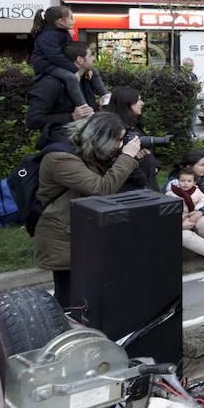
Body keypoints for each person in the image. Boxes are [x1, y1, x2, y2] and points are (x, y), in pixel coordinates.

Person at [34, 113, 140, 307]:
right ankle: (64, 334)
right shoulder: (60, 159)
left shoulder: (88, 152)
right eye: (116, 140)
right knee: (68, 293)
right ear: (101, 136)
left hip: (81, 228)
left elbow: (136, 182)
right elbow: (101, 188)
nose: (118, 145)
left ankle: (84, 330)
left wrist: (130, 158)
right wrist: (126, 157)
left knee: (89, 291)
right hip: (62, 233)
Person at [29, 6, 106, 110]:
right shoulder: (47, 36)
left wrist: (84, 67)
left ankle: (106, 96)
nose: (74, 20)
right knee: (71, 77)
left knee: (93, 71)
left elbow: (70, 50)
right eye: (71, 17)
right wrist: (76, 69)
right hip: (48, 66)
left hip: (58, 63)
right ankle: (83, 106)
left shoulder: (63, 33)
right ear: (60, 21)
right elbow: (56, 57)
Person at [26, 41, 99, 149]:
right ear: (80, 60)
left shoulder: (86, 79)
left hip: (85, 144)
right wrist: (71, 117)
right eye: (90, 55)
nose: (93, 58)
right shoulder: (50, 84)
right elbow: (33, 120)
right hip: (63, 147)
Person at [106, 87, 166, 192]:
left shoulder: (134, 126)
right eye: (138, 100)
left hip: (146, 186)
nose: (142, 103)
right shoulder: (117, 130)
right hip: (133, 191)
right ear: (126, 102)